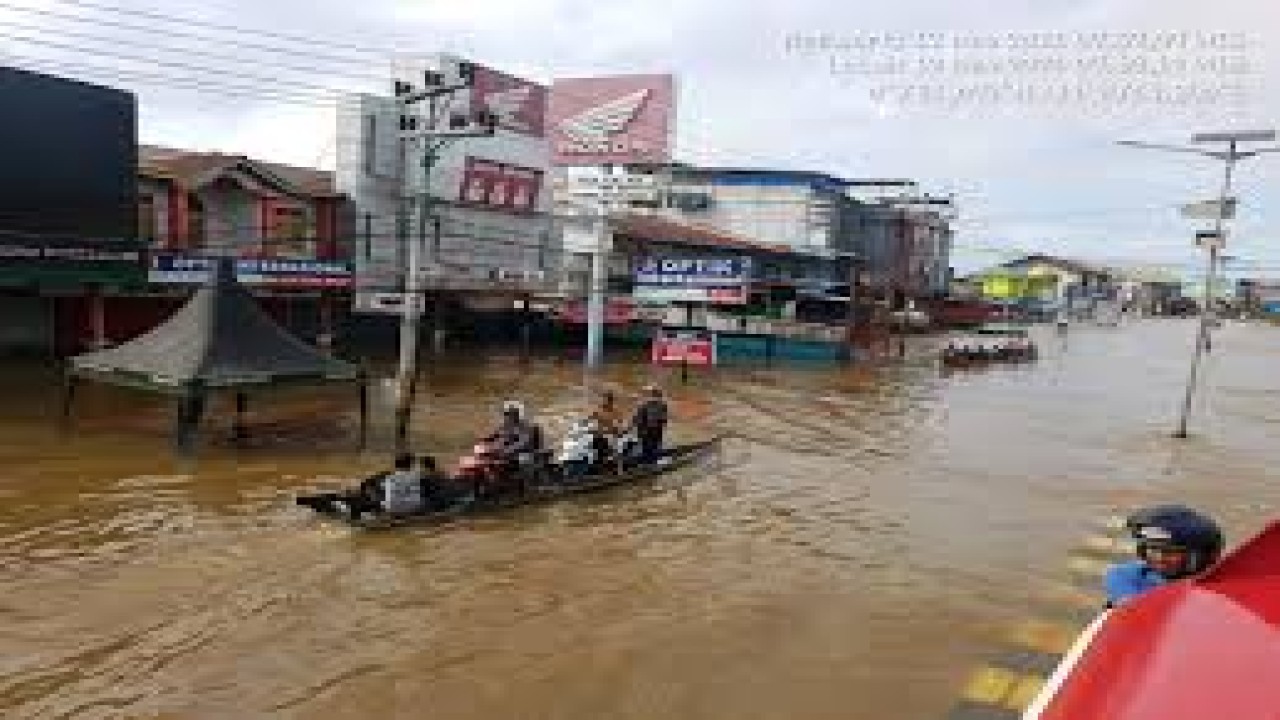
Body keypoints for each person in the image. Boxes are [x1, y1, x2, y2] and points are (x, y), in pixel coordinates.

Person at [1104, 505, 1223, 607]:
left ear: (1199, 556)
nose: (1159, 558)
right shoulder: (1124, 576)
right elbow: (1136, 609)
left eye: (1170, 552)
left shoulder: (1219, 583)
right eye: (1153, 548)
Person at [629, 384, 670, 465]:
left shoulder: (646, 405)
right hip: (650, 432)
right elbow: (663, 421)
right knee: (651, 449)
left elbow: (636, 420)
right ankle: (650, 461)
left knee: (649, 449)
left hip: (649, 432)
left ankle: (648, 461)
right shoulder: (657, 405)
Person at [588, 390, 627, 472]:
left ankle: (610, 467)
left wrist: (618, 429)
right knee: (599, 450)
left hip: (610, 437)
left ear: (611, 401)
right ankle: (600, 467)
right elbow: (591, 422)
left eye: (608, 400)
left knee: (611, 450)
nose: (605, 402)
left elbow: (620, 424)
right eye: (604, 400)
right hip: (600, 436)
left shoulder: (615, 412)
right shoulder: (598, 411)